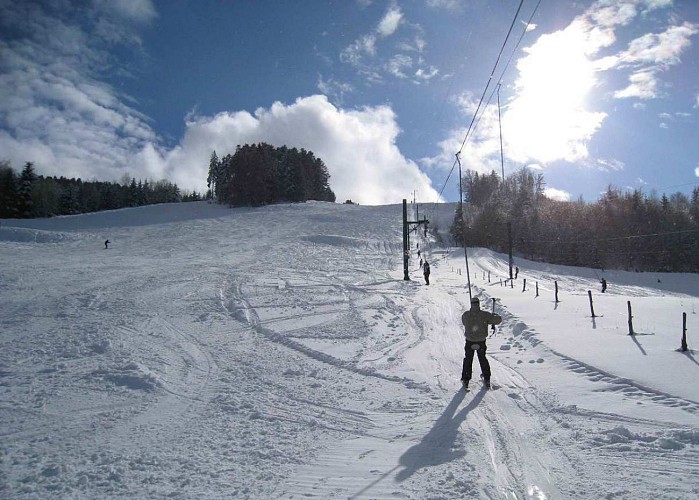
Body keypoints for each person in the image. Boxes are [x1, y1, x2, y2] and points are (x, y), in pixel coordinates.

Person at [461, 297, 501, 389]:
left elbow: (464, 322)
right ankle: (487, 378)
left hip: (470, 341)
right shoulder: (485, 315)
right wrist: (494, 316)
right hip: (481, 341)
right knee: (482, 359)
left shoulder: (466, 315)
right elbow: (498, 320)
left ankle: (466, 379)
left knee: (468, 359)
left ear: (471, 304)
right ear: (478, 304)